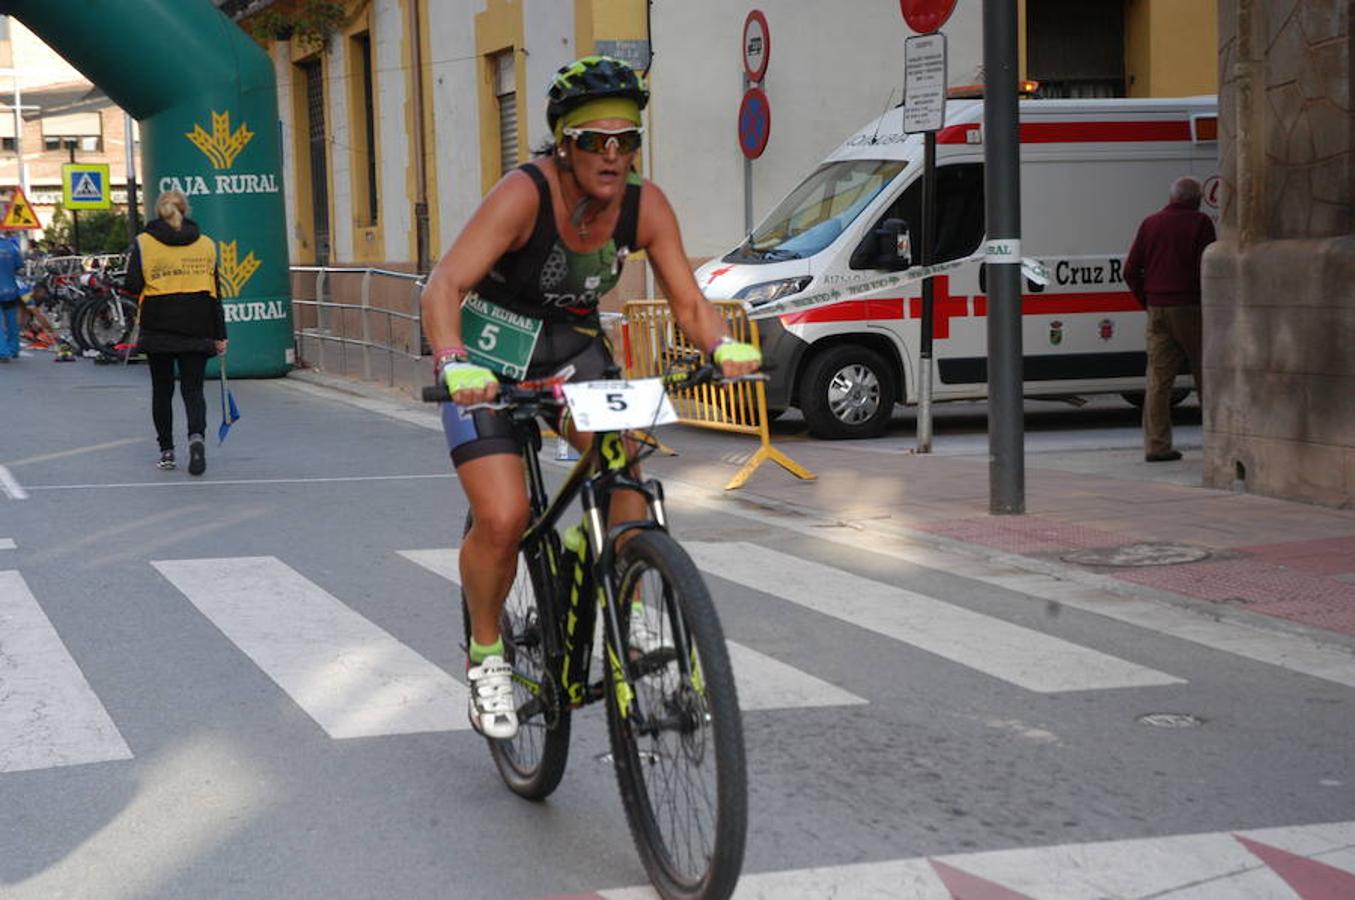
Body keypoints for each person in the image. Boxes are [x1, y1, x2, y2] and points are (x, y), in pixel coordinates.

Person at [420, 56, 761, 739]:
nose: (611, 155)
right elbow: (443, 286)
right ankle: (487, 655)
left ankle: (615, 575)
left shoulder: (644, 204)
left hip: (570, 349)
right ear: (564, 144)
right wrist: (454, 362)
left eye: (625, 141)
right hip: (487, 350)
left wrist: (721, 346)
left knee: (625, 474)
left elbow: (688, 301)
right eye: (594, 141)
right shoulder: (524, 195)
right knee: (503, 512)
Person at [123, 190, 228, 475]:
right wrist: (220, 334)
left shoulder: (144, 243)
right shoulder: (206, 244)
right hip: (198, 325)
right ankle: (196, 438)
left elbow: (132, 285)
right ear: (185, 210)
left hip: (158, 325)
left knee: (162, 390)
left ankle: (167, 451)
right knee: (193, 390)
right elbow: (215, 293)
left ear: (159, 212)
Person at [1124, 176, 1215, 462]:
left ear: (1172, 197)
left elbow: (1130, 270)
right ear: (1196, 199)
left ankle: (1157, 445)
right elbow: (1209, 268)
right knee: (1207, 375)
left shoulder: (1150, 223)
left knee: (1158, 381)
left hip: (1158, 308)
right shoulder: (1200, 223)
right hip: (1190, 308)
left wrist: (1147, 301)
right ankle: (1217, 442)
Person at [0, 236, 23, 362]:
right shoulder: (12, 247)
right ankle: (14, 349)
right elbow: (19, 266)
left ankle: (2, 352)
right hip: (10, 289)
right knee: (12, 322)